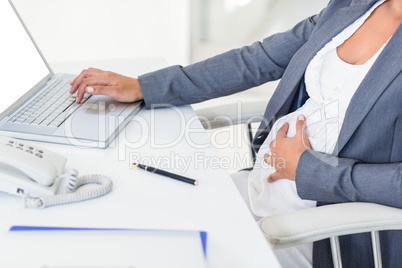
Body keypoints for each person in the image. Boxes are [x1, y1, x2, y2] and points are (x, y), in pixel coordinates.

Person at [70, 0, 402, 266]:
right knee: (142, 220)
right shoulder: (355, 6)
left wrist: (306, 169)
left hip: (339, 234)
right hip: (264, 188)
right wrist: (144, 86)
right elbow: (259, 60)